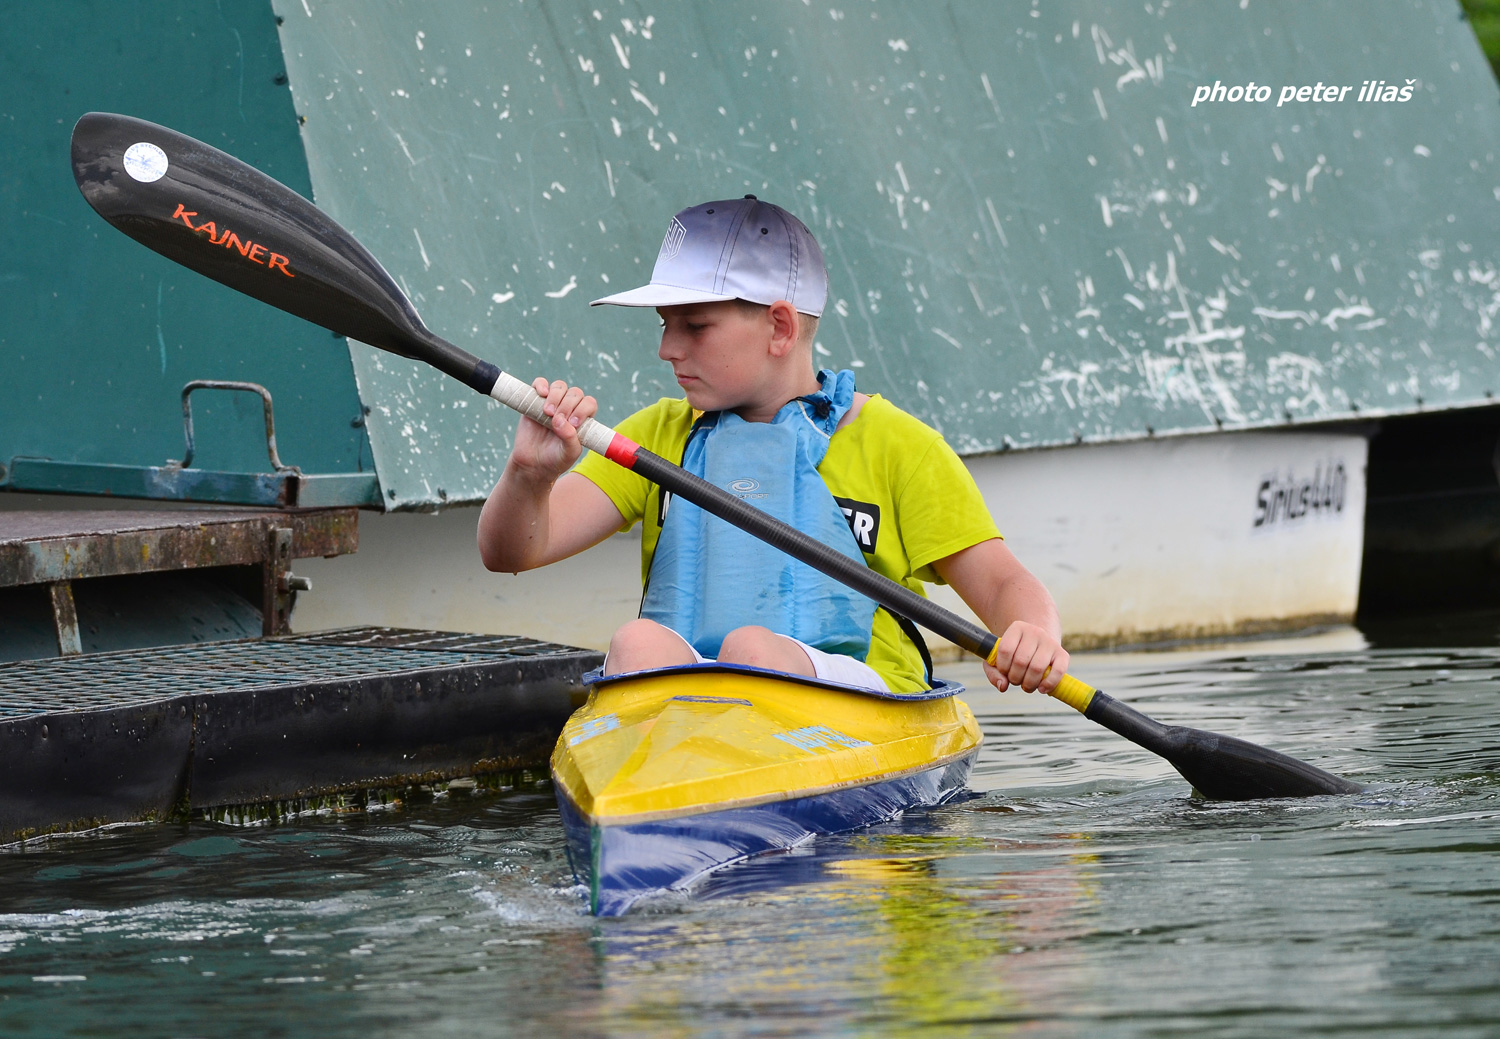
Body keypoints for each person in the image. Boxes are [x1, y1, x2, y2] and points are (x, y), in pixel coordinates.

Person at [478, 195, 1068, 696]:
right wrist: (530, 476)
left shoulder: (900, 448)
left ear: (781, 328)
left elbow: (1002, 584)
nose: (667, 349)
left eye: (694, 326)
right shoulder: (657, 435)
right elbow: (512, 552)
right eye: (664, 324)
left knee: (754, 648)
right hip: (704, 699)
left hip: (864, 702)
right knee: (636, 642)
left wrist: (1032, 632)